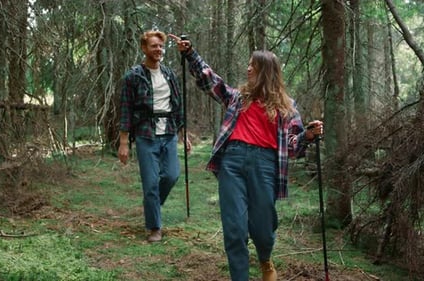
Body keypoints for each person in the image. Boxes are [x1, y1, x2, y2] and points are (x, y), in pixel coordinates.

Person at [169, 34, 323, 281]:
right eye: (249, 63)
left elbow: (293, 149)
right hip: (232, 162)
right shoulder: (237, 98)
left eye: (254, 65)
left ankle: (265, 258)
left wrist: (307, 136)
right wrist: (191, 55)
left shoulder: (287, 108)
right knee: (234, 229)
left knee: (263, 229)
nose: (248, 68)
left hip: (265, 165)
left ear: (266, 71)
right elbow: (212, 82)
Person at [118, 30, 191, 243]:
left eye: (160, 46)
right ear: (144, 48)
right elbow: (126, 109)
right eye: (153, 46)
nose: (158, 49)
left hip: (168, 132)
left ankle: (152, 205)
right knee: (150, 184)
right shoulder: (133, 76)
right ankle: (154, 227)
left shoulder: (169, 75)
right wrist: (124, 142)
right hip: (145, 134)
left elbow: (177, 106)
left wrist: (183, 133)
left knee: (171, 175)